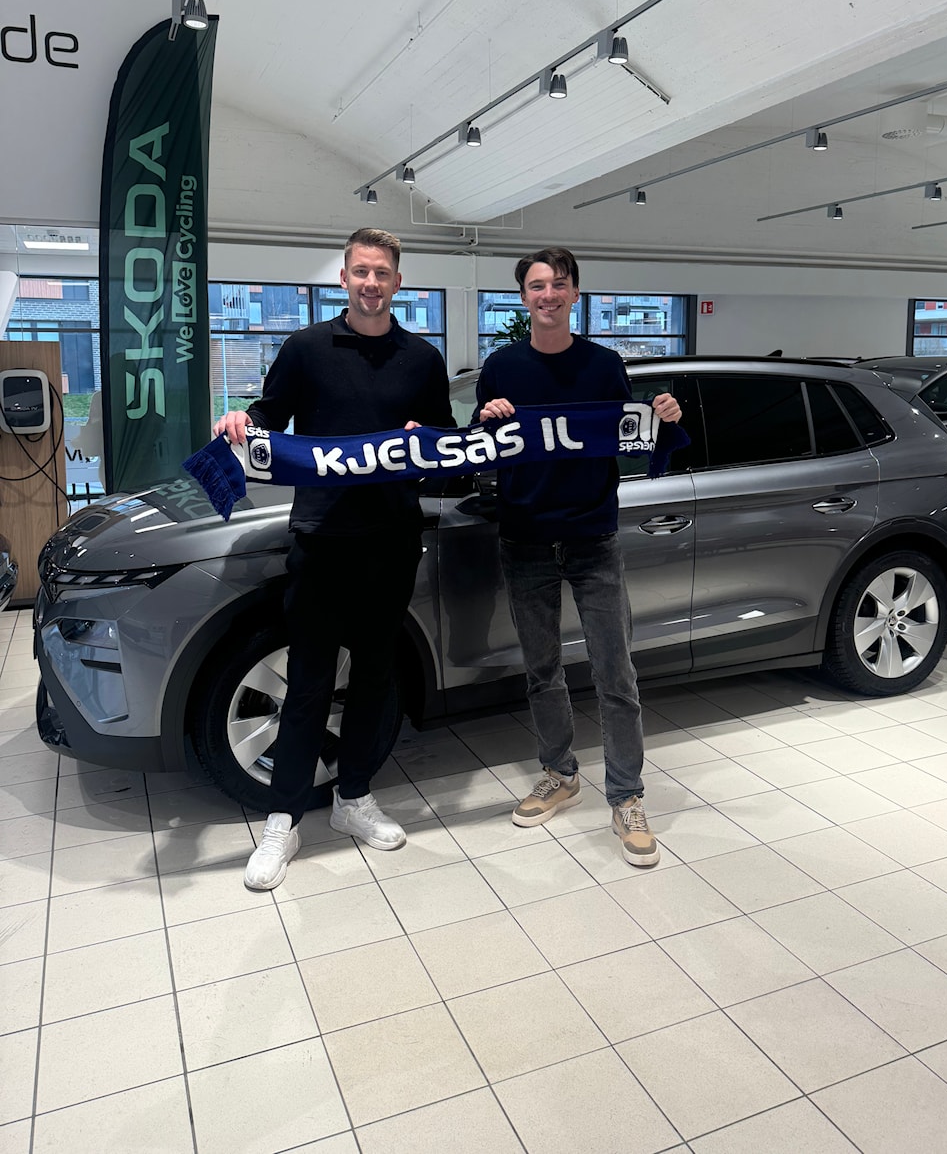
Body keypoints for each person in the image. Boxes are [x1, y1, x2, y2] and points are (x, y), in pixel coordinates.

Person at [215, 227, 454, 890]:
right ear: (344, 278)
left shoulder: (422, 359)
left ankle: (353, 798)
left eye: (383, 273)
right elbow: (267, 416)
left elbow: (443, 448)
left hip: (392, 538)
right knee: (309, 683)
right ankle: (283, 819)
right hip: (321, 538)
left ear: (398, 282)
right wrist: (240, 421)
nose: (372, 283)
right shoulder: (305, 348)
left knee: (374, 678)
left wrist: (429, 440)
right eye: (361, 272)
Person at [476, 247, 681, 867]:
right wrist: (487, 418)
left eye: (559, 284)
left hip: (593, 540)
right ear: (523, 297)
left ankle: (627, 795)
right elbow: (481, 449)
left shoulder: (603, 365)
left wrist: (664, 418)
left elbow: (633, 438)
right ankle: (559, 774)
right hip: (525, 540)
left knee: (616, 674)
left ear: (574, 294)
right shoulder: (501, 368)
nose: (548, 294)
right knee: (542, 671)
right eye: (537, 285)